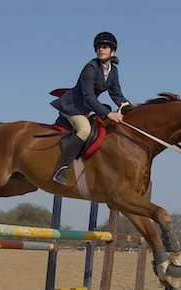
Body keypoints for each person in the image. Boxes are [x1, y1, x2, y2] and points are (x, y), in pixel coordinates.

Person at [50, 31, 130, 186]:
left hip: (87, 107)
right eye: (98, 47)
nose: (100, 49)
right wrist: (108, 114)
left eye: (105, 47)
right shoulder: (91, 67)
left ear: (112, 51)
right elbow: (88, 97)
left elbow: (116, 94)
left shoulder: (113, 70)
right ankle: (62, 168)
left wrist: (127, 106)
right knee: (85, 130)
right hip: (73, 106)